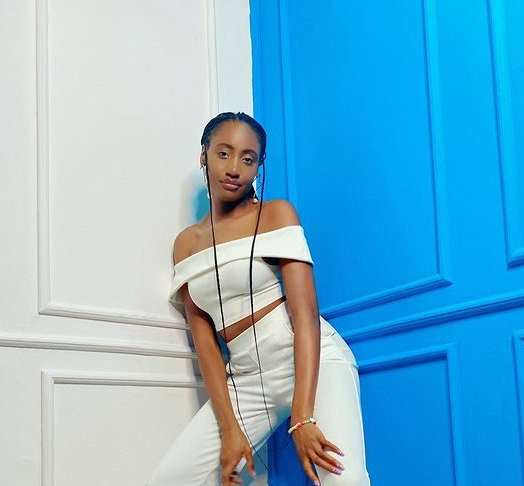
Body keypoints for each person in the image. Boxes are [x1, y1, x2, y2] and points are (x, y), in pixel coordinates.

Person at [147, 112, 371, 486]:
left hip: (311, 362)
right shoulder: (185, 244)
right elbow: (204, 341)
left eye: (248, 159)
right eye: (223, 153)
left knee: (343, 480)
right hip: (246, 378)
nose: (234, 168)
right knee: (170, 480)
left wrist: (302, 416)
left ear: (258, 167)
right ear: (203, 155)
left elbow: (306, 317)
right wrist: (229, 428)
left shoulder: (275, 214)